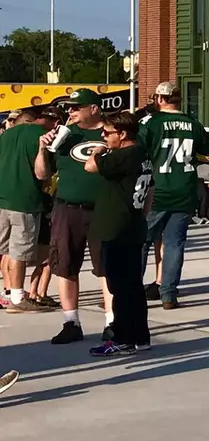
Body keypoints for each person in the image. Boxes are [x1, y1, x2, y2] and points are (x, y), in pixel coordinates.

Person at [82, 114, 153, 358]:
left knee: (120, 287)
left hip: (117, 229)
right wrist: (140, 215)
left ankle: (121, 339)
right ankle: (140, 337)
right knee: (133, 286)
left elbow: (90, 166)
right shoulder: (142, 154)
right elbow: (150, 192)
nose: (104, 136)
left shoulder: (123, 155)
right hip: (133, 226)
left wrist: (97, 151)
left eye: (108, 133)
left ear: (122, 134)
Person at [139, 81, 209, 311]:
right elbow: (207, 157)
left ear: (159, 99)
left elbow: (138, 150)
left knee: (141, 241)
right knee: (174, 244)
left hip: (156, 189)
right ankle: (168, 294)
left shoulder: (151, 123)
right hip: (185, 188)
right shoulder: (194, 124)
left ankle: (131, 291)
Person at [46, 90, 108, 346]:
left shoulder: (110, 133)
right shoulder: (65, 136)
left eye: (75, 107)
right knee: (65, 265)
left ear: (93, 108)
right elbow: (41, 173)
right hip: (67, 207)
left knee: (106, 268)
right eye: (68, 108)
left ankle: (112, 323)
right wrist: (44, 147)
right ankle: (71, 323)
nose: (70, 112)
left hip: (103, 208)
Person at [0, 107, 55, 315]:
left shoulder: (6, 135)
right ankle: (17, 297)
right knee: (19, 251)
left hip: (2, 198)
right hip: (26, 200)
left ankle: (8, 292)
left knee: (4, 249)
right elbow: (43, 175)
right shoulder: (40, 136)